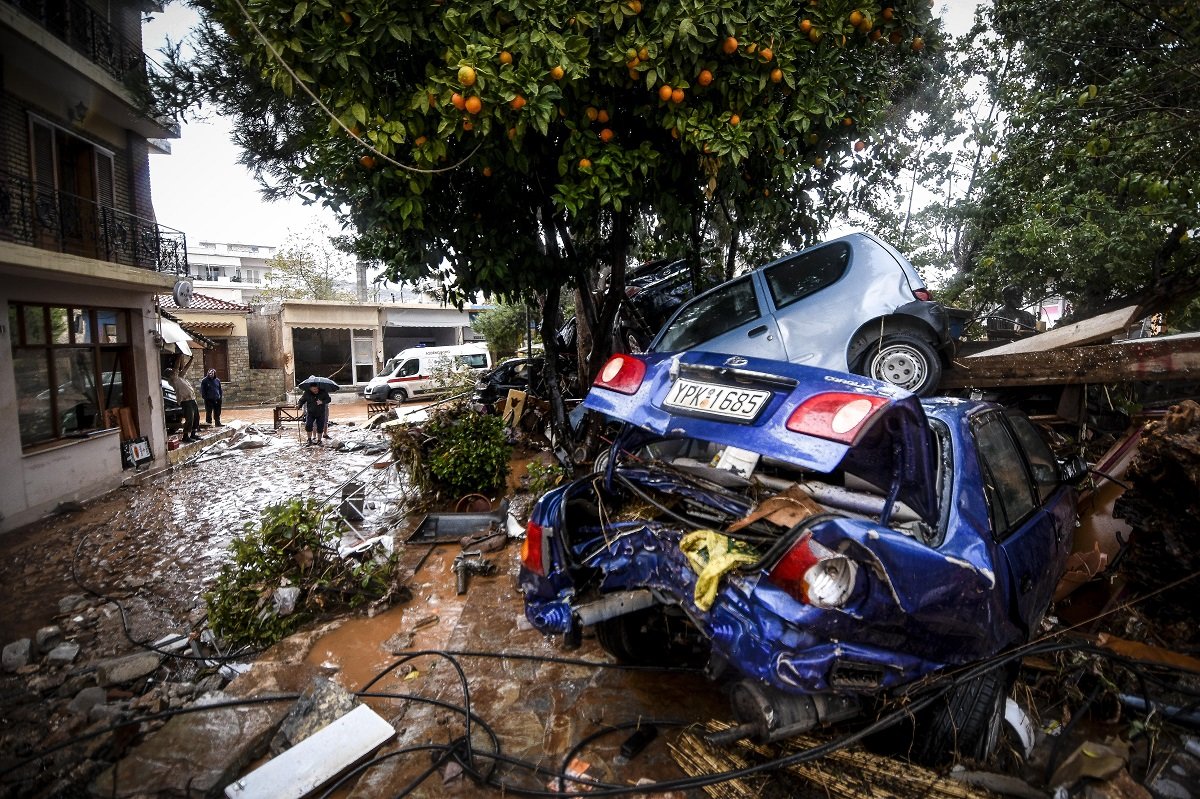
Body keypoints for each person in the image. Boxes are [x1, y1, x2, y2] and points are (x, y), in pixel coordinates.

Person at [166, 367, 201, 442]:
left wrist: (191, 359)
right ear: (169, 375)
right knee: (190, 419)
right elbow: (176, 367)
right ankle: (185, 437)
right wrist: (179, 356)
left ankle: (193, 434)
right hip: (185, 401)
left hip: (192, 399)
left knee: (196, 417)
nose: (174, 372)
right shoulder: (172, 380)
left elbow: (185, 369)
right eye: (171, 372)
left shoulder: (180, 377)